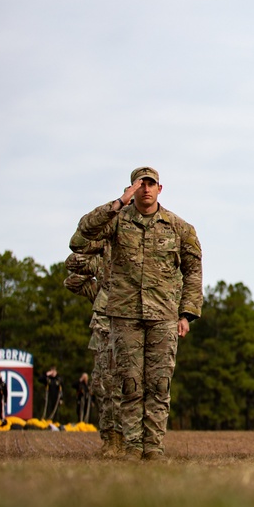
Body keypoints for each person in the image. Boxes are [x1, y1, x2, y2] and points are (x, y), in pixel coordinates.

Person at [78, 166, 203, 461]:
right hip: (125, 315)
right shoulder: (116, 221)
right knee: (129, 384)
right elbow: (81, 238)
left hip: (163, 316)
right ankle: (133, 447)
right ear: (132, 188)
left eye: (151, 184)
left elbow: (193, 271)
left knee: (159, 385)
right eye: (139, 184)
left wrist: (186, 314)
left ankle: (155, 448)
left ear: (160, 188)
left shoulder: (179, 227)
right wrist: (118, 203)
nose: (145, 188)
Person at [65, 231, 123, 456]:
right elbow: (71, 277)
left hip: (128, 321)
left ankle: (128, 439)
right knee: (101, 384)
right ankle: (110, 438)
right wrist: (99, 291)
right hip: (103, 326)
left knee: (125, 385)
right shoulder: (100, 258)